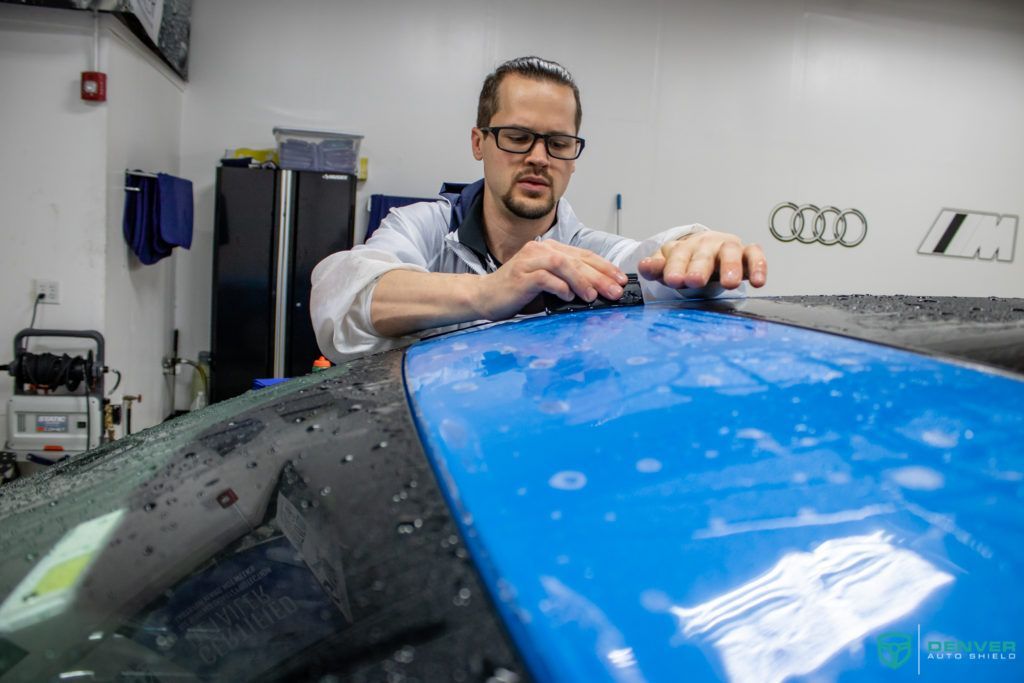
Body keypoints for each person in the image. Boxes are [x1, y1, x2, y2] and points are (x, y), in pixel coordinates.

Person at [311, 56, 767, 363]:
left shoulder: (588, 252)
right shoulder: (425, 226)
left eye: (558, 143)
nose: (539, 157)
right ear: (479, 142)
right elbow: (344, 301)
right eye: (517, 136)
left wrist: (695, 248)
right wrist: (488, 293)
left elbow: (652, 264)